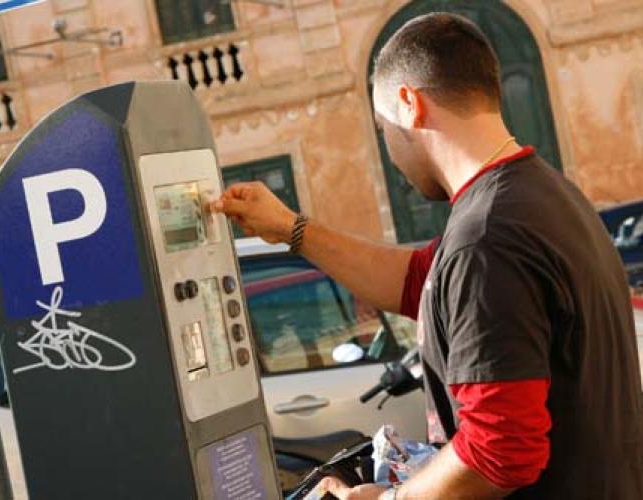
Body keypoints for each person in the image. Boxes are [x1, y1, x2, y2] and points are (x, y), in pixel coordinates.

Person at [212, 12, 643, 500]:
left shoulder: (486, 238)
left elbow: (500, 453)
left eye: (383, 127)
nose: (390, 151)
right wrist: (292, 230)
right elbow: (422, 281)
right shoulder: (539, 195)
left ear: (409, 104)